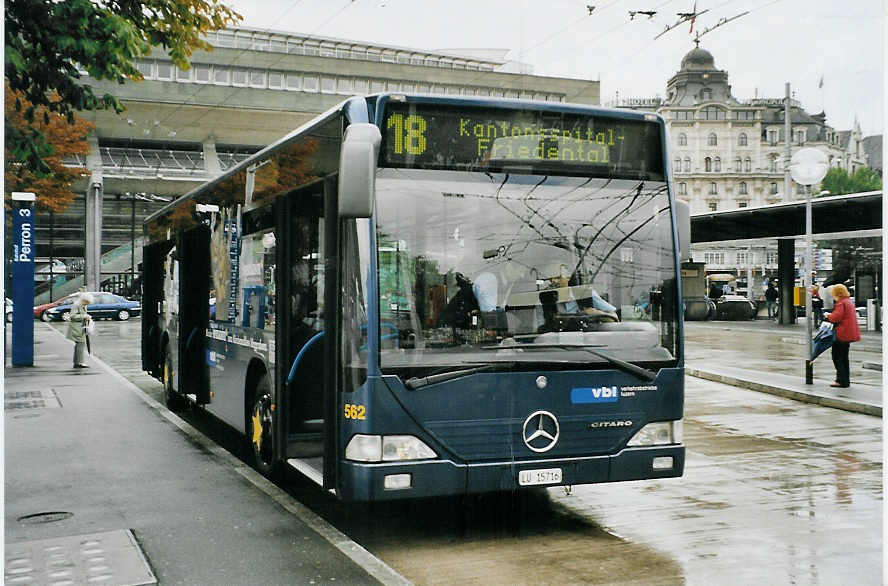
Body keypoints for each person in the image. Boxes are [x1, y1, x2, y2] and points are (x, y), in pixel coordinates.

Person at [824, 284, 860, 388]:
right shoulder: (849, 302)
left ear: (836, 293)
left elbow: (836, 317)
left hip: (841, 334)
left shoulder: (840, 303)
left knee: (837, 357)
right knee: (844, 358)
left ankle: (840, 380)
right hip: (848, 333)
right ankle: (845, 380)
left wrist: (828, 315)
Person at [66, 292, 94, 368]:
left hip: (80, 328)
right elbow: (72, 316)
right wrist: (84, 316)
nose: (87, 304)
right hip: (76, 328)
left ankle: (77, 362)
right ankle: (79, 363)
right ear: (84, 300)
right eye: (86, 302)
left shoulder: (82, 305)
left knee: (79, 345)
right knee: (80, 344)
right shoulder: (77, 305)